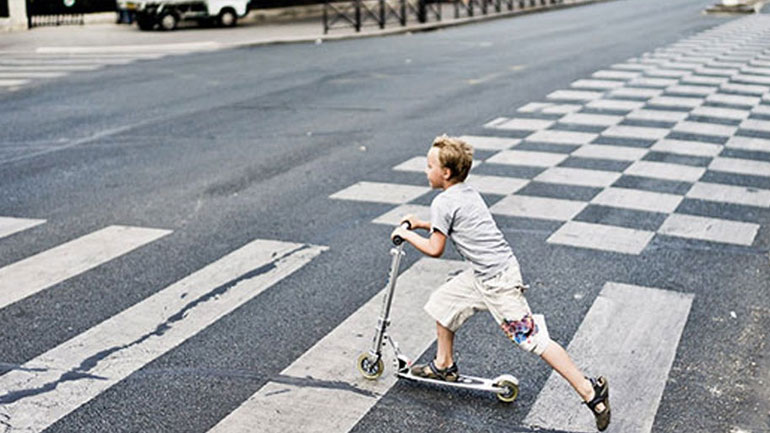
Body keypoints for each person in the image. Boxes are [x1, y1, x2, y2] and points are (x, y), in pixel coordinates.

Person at [390, 135, 611, 431]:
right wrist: (422, 223)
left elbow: (435, 249)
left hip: (498, 283)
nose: (425, 170)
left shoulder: (443, 201)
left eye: (429, 166)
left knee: (533, 340)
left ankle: (590, 392)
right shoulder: (467, 192)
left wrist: (406, 234)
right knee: (443, 303)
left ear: (445, 173)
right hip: (487, 273)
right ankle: (444, 365)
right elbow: (455, 224)